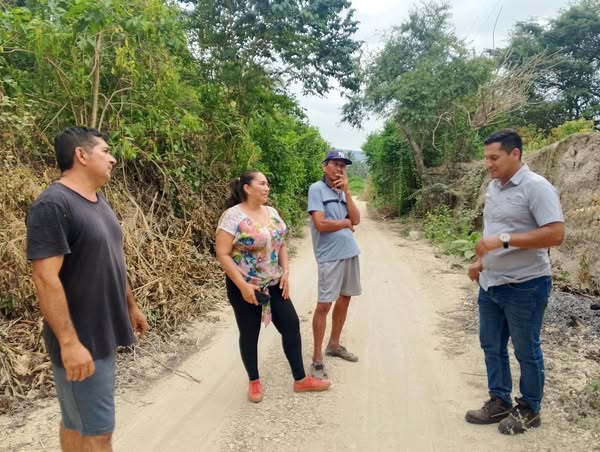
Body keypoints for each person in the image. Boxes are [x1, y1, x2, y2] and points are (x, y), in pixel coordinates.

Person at [26, 127, 149, 452]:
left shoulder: (97, 201)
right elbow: (45, 278)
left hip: (101, 332)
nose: (113, 159)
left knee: (77, 421)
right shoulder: (53, 205)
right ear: (81, 155)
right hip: (81, 339)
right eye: (105, 151)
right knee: (98, 433)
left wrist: (130, 305)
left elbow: (111, 258)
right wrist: (69, 343)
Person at [465, 129, 565, 435]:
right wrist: (481, 261)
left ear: (515, 154)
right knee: (491, 345)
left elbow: (556, 233)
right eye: (486, 158)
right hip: (491, 283)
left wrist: (504, 241)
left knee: (526, 349)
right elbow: (492, 231)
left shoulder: (537, 187)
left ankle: (530, 409)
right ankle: (499, 400)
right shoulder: (494, 187)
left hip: (526, 284)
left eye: (494, 157)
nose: (488, 164)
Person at [215, 170, 330, 403]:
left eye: (268, 184)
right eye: (262, 183)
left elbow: (281, 244)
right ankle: (254, 382)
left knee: (291, 325)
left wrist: (286, 272)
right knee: (249, 333)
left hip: (274, 283)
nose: (267, 188)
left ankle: (301, 379)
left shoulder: (272, 212)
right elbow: (222, 253)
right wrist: (243, 286)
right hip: (245, 287)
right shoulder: (232, 216)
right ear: (247, 188)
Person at [307, 151, 361, 379]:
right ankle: (317, 358)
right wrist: (344, 223)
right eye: (335, 164)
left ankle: (334, 344)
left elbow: (356, 219)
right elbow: (320, 224)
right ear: (324, 167)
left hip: (350, 252)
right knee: (324, 305)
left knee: (345, 298)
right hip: (329, 256)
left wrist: (347, 192)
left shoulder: (342, 191)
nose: (339, 169)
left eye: (343, 166)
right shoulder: (316, 189)